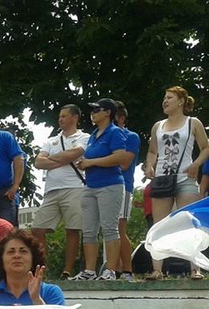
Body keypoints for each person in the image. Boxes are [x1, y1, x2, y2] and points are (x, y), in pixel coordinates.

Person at [144, 86, 209, 280]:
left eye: (169, 98)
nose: (165, 101)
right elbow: (153, 151)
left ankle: (195, 268)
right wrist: (149, 165)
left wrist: (197, 164)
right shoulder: (158, 126)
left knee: (190, 221)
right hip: (162, 178)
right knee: (159, 223)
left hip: (185, 176)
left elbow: (206, 147)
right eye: (164, 98)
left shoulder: (193, 123)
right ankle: (157, 269)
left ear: (181, 101)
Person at [69, 98, 127, 281]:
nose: (93, 113)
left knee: (110, 228)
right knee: (88, 230)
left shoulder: (115, 132)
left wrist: (91, 162)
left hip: (110, 185)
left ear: (108, 112)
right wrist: (85, 164)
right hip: (91, 186)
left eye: (97, 109)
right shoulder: (94, 134)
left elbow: (119, 157)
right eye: (92, 110)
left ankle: (110, 270)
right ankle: (90, 271)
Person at [32, 105, 89, 279]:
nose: (60, 119)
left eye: (64, 116)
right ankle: (43, 269)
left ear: (75, 117)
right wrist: (63, 159)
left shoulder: (84, 137)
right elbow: (38, 162)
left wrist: (53, 159)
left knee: (73, 229)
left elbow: (74, 154)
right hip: (51, 190)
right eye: (59, 116)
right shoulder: (52, 140)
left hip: (74, 187)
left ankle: (67, 270)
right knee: (37, 229)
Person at [113, 102, 141, 282]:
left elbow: (124, 164)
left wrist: (97, 162)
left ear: (121, 118)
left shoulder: (130, 137)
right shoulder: (102, 137)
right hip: (103, 187)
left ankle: (127, 270)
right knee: (109, 229)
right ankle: (113, 270)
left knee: (119, 229)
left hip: (123, 186)